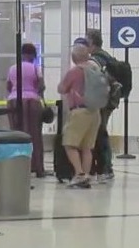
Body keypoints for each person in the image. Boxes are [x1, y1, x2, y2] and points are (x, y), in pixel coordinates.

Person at [57, 45, 102, 189]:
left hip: (79, 112)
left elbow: (62, 88)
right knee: (87, 147)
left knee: (69, 144)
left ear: (74, 57)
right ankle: (86, 175)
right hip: (95, 112)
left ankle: (79, 174)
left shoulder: (74, 72)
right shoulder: (96, 70)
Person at [6, 42, 46, 177]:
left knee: (16, 134)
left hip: (13, 102)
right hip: (32, 102)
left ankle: (17, 166)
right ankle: (37, 168)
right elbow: (41, 86)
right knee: (34, 135)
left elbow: (8, 86)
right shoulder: (36, 68)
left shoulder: (12, 68)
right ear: (33, 55)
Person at [85, 30, 118, 182]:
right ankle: (107, 167)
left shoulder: (95, 61)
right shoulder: (107, 57)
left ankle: (105, 167)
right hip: (110, 99)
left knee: (100, 133)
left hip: (101, 101)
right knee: (102, 131)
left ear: (92, 43)